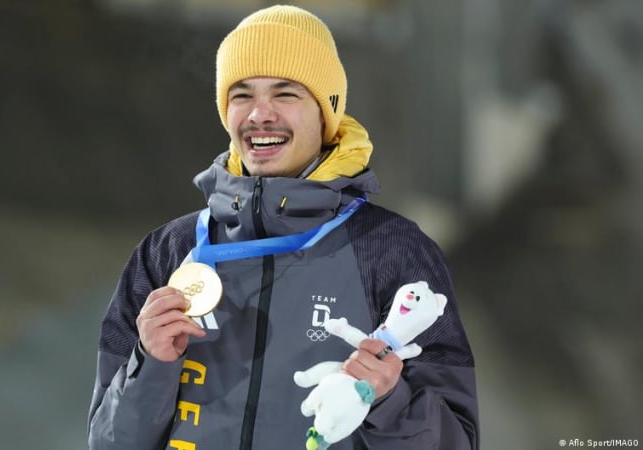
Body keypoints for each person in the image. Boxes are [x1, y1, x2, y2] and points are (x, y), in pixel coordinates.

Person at [87, 5, 479, 449]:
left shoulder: (392, 251)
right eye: (241, 95)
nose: (260, 115)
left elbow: (457, 443)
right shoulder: (167, 252)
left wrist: (389, 399)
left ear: (326, 110)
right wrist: (151, 365)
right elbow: (110, 444)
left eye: (286, 94)